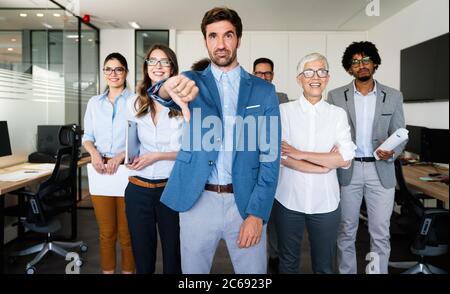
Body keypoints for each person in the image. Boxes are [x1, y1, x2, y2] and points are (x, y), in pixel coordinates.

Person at [148, 7, 281, 274]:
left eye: (228, 36)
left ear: (238, 39)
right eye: (213, 36)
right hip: (198, 199)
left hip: (244, 202)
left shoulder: (263, 91)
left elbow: (270, 158)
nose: (220, 44)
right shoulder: (190, 80)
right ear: (205, 40)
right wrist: (167, 87)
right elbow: (163, 93)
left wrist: (257, 214)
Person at [327, 41, 407, 274]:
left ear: (374, 63)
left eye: (365, 60)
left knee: (380, 233)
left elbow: (400, 133)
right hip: (347, 170)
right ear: (349, 68)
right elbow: (330, 133)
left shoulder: (393, 96)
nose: (361, 65)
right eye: (355, 62)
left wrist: (393, 150)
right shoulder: (335, 96)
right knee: (346, 231)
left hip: (380, 169)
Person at [273, 53, 356, 274]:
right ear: (299, 78)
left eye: (322, 71)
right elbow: (281, 156)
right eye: (309, 72)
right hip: (288, 200)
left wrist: (299, 153)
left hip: (326, 203)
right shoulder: (284, 112)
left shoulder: (337, 114)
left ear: (327, 78)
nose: (315, 77)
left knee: (325, 266)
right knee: (288, 263)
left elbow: (345, 157)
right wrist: (326, 164)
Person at [125, 44, 183, 274]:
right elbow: (131, 144)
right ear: (146, 66)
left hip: (171, 191)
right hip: (138, 190)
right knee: (142, 258)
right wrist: (130, 157)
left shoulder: (183, 104)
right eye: (152, 61)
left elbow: (193, 152)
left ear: (172, 68)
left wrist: (157, 156)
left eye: (164, 61)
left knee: (173, 257)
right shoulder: (134, 102)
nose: (158, 66)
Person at [82, 52, 135, 274]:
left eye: (118, 69)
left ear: (126, 73)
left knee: (126, 233)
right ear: (104, 73)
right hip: (100, 171)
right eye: (108, 69)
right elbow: (87, 137)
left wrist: (119, 156)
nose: (113, 74)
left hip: (126, 171)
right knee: (106, 232)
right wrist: (94, 153)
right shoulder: (94, 103)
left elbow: (139, 137)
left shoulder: (136, 101)